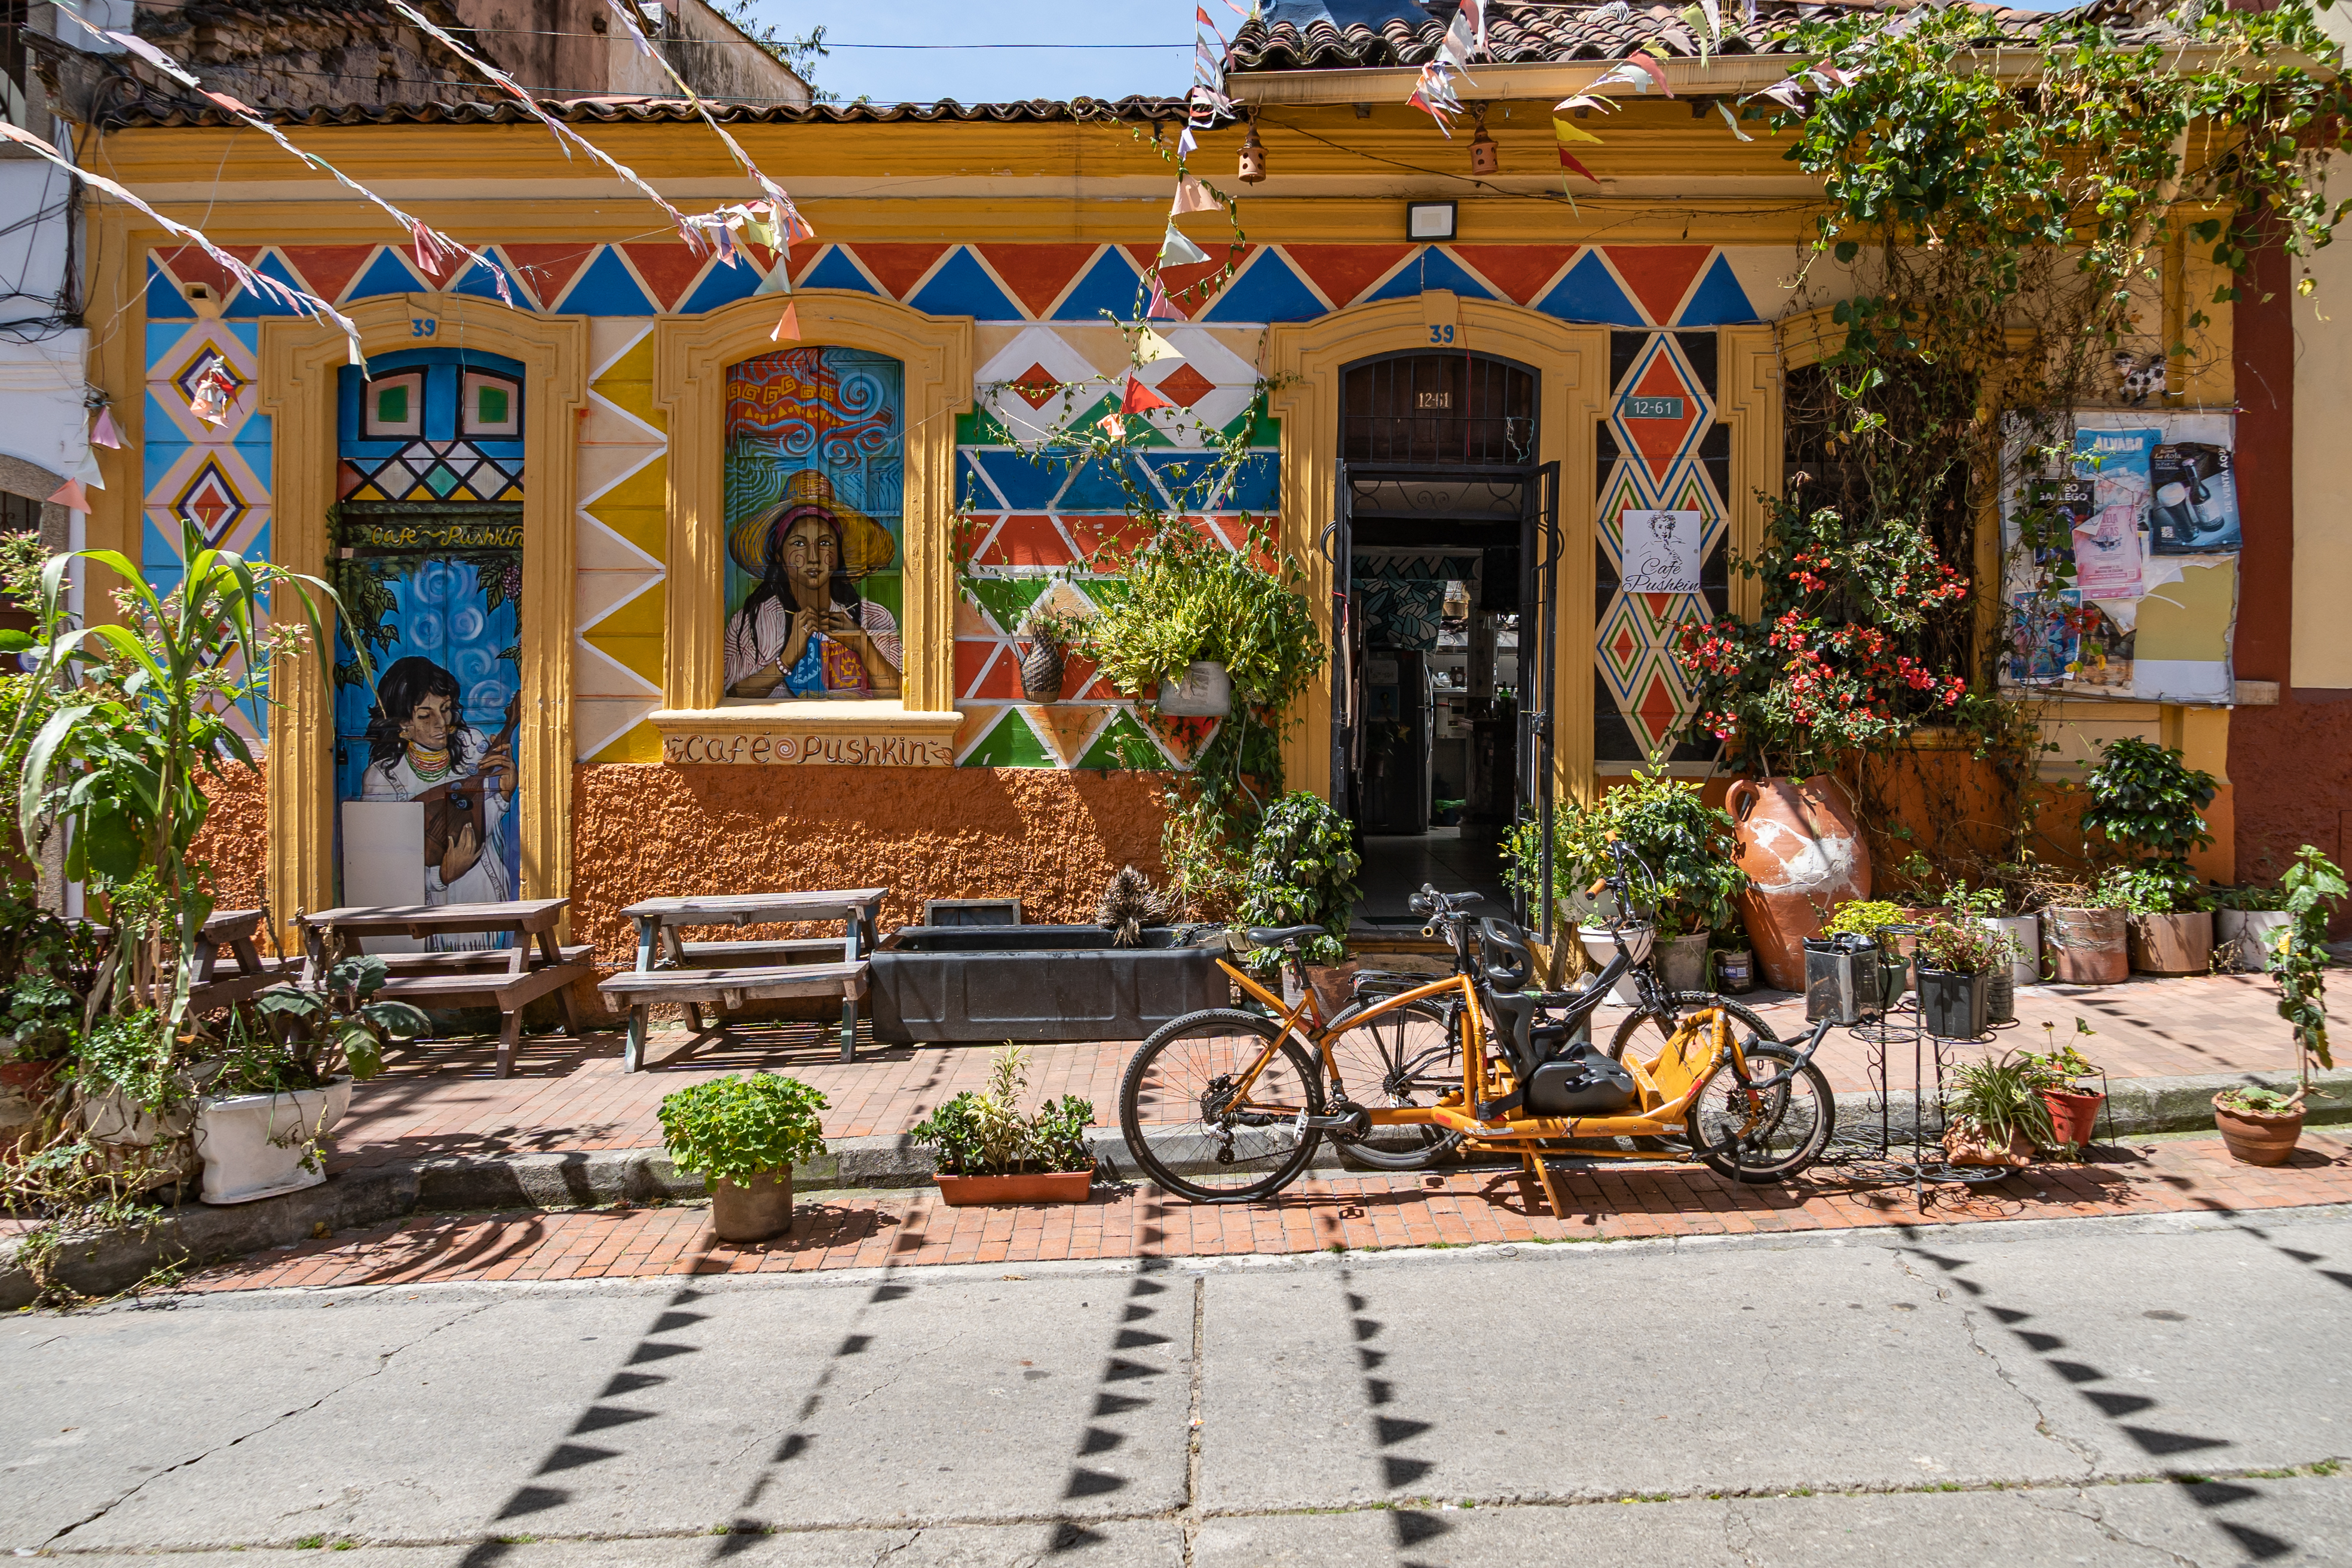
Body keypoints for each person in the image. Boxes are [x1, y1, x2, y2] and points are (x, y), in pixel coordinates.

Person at [361, 656, 514, 947]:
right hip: (421, 917)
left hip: (481, 891)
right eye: (425, 715)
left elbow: (478, 821)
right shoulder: (383, 777)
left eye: (445, 710)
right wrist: (442, 875)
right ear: (403, 722)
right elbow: (385, 863)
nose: (441, 723)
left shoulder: (473, 747)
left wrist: (504, 794)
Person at [724, 469, 902, 697]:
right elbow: (733, 696)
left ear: (838, 554)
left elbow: (898, 697)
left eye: (825, 543)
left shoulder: (875, 616)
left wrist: (862, 644)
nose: (813, 557)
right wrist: (787, 658)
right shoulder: (751, 622)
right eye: (798, 543)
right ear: (778, 554)